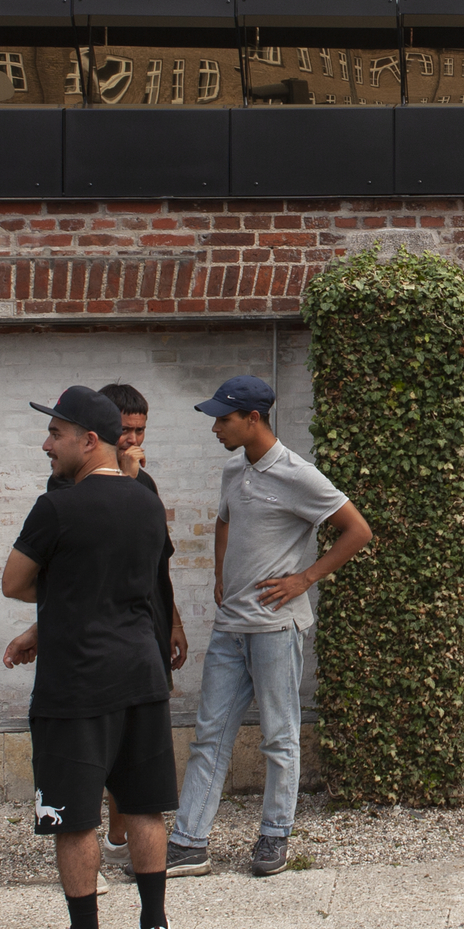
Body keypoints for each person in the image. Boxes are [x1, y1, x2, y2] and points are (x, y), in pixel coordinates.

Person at [3, 384, 180, 929]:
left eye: (55, 434)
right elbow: (138, 581)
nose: (46, 444)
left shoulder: (56, 507)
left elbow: (14, 582)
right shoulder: (147, 502)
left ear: (88, 439)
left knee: (75, 816)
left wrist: (57, 593)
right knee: (144, 803)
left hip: (77, 680)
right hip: (142, 671)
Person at [166, 376, 373, 879]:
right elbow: (224, 522)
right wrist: (221, 574)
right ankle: (189, 842)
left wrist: (305, 578)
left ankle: (274, 836)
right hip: (230, 627)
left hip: (277, 629)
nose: (215, 427)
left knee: (280, 736)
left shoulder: (298, 474)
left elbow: (358, 530)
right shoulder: (233, 469)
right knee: (210, 734)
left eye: (223, 418)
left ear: (253, 419)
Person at [32, 383, 191, 865]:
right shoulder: (67, 487)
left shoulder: (144, 487)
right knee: (91, 754)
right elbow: (71, 580)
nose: (133, 439)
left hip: (142, 632)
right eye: (125, 430)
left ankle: (122, 841)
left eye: (141, 430)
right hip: (88, 652)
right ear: (99, 434)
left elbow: (154, 566)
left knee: (139, 769)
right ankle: (96, 838)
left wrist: (174, 623)